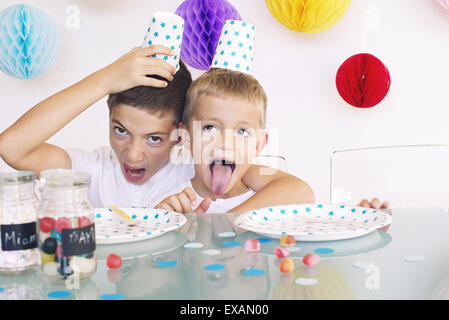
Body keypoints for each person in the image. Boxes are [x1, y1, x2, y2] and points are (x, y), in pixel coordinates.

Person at [0, 46, 314, 211]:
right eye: (120, 130)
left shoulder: (196, 167)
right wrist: (102, 81)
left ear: (182, 136)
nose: (133, 154)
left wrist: (221, 224)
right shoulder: (92, 170)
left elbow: (297, 190)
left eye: (154, 138)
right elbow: (11, 147)